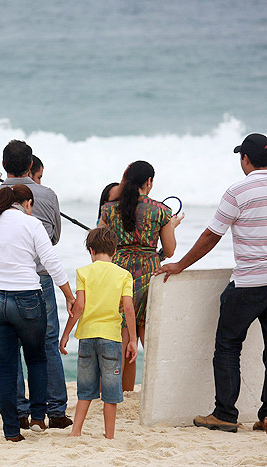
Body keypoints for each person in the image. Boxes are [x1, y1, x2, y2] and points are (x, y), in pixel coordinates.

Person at [157, 133, 267, 434]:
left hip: (248, 283)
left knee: (228, 345)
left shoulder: (238, 190)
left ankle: (225, 414)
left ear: (246, 159)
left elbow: (211, 235)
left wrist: (180, 264)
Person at [0, 140, 72, 430]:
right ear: (31, 165)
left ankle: (19, 414)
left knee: (10, 352)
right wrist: (69, 294)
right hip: (39, 281)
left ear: (4, 163)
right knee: (47, 344)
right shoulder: (46, 195)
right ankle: (55, 410)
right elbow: (54, 240)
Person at [98, 161, 184, 391]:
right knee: (146, 330)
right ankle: (160, 391)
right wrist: (172, 226)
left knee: (121, 331)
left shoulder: (108, 210)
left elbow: (98, 245)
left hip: (117, 271)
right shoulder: (161, 211)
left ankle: (115, 391)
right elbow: (170, 250)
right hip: (149, 272)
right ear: (149, 182)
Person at [59, 227, 138, 439]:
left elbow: (79, 307)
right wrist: (132, 338)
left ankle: (76, 431)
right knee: (111, 394)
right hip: (111, 338)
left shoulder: (83, 272)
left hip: (86, 337)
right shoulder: (124, 275)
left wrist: (66, 334)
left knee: (85, 390)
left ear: (91, 251)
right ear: (115, 252)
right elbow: (128, 309)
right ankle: (109, 436)